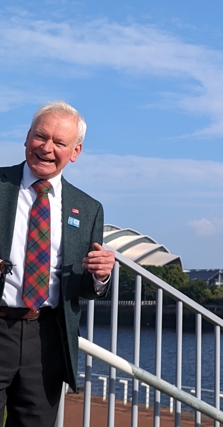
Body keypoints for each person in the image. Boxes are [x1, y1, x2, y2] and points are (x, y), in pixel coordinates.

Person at [0, 101, 115, 427]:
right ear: (26, 138)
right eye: (40, 137)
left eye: (59, 143)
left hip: (47, 337)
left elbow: (84, 289)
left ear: (75, 151)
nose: (46, 148)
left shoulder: (88, 208)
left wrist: (100, 277)